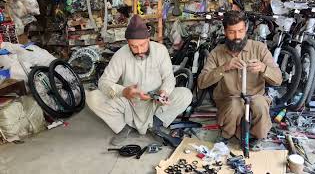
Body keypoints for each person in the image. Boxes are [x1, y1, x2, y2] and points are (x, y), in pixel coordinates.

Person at [86, 15, 192, 146]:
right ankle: (123, 128)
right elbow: (104, 82)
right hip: (130, 103)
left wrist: (164, 91)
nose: (139, 51)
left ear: (148, 39)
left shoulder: (160, 50)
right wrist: (124, 91)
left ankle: (155, 125)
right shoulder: (121, 55)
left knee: (185, 94)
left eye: (142, 45)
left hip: (154, 101)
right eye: (134, 47)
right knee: (93, 97)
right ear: (128, 43)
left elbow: (169, 78)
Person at [197, 11, 282, 145]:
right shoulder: (216, 53)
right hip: (228, 100)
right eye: (232, 32)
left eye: (241, 31)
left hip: (255, 97)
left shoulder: (259, 48)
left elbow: (278, 79)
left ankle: (255, 136)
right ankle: (228, 134)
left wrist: (263, 68)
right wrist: (224, 67)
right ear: (225, 31)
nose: (237, 36)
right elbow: (202, 82)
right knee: (235, 106)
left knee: (259, 104)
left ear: (246, 29)